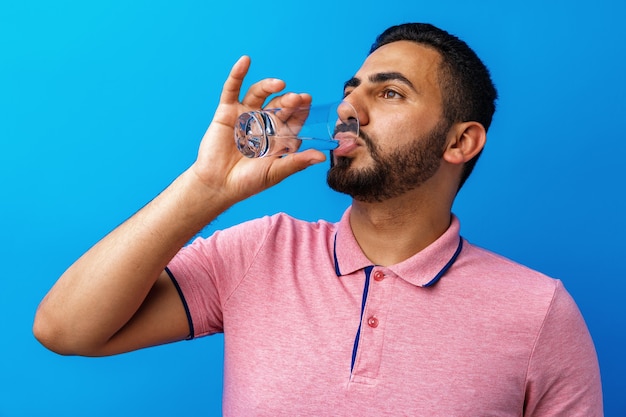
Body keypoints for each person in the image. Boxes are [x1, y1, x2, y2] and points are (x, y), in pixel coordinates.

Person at [33, 23, 603, 416]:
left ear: (461, 141)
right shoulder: (259, 251)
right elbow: (65, 330)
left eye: (391, 94)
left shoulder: (538, 312)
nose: (351, 108)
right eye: (351, 89)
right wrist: (204, 189)